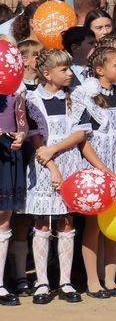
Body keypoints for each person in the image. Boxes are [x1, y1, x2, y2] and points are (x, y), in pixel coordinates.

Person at [22, 49, 92, 305]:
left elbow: (80, 133)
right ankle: (41, 282)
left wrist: (55, 149)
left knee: (66, 223)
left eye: (69, 68)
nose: (69, 74)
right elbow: (37, 139)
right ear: (47, 74)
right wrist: (52, 166)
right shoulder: (32, 100)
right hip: (44, 168)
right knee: (42, 224)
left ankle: (65, 281)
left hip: (70, 164)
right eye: (63, 70)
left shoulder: (74, 98)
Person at [74, 46, 116, 298]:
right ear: (99, 69)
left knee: (114, 223)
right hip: (97, 170)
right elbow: (84, 141)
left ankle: (110, 279)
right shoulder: (86, 97)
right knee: (93, 225)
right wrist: (103, 170)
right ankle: (92, 281)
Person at [0, 56, 27, 307]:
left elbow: (22, 123)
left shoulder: (16, 87)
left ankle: (0, 284)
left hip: (7, 153)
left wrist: (20, 136)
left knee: (5, 216)